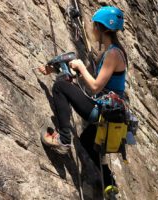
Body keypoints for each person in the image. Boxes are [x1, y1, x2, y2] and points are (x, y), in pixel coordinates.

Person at [38, 6, 127, 197]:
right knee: (87, 140)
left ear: (101, 28)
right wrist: (56, 70)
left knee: (60, 87)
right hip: (109, 112)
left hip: (103, 112)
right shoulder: (112, 52)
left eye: (94, 25)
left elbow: (94, 86)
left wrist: (79, 65)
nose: (92, 29)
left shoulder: (113, 55)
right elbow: (84, 78)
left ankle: (63, 139)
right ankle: (109, 182)